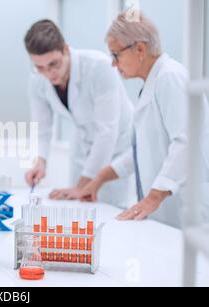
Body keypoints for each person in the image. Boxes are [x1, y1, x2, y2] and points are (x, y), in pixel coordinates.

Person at [78, 11, 209, 228]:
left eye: (115, 55)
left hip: (188, 206)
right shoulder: (153, 83)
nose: (113, 64)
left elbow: (186, 142)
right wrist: (100, 178)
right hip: (169, 211)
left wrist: (153, 197)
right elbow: (141, 151)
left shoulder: (170, 77)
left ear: (139, 49)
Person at [24, 20, 133, 207]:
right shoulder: (37, 79)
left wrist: (82, 185)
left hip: (117, 150)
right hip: (82, 151)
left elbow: (107, 131)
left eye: (54, 64)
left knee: (112, 214)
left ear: (65, 49)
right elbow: (42, 128)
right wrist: (40, 161)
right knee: (78, 209)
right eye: (40, 67)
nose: (49, 74)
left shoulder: (100, 67)